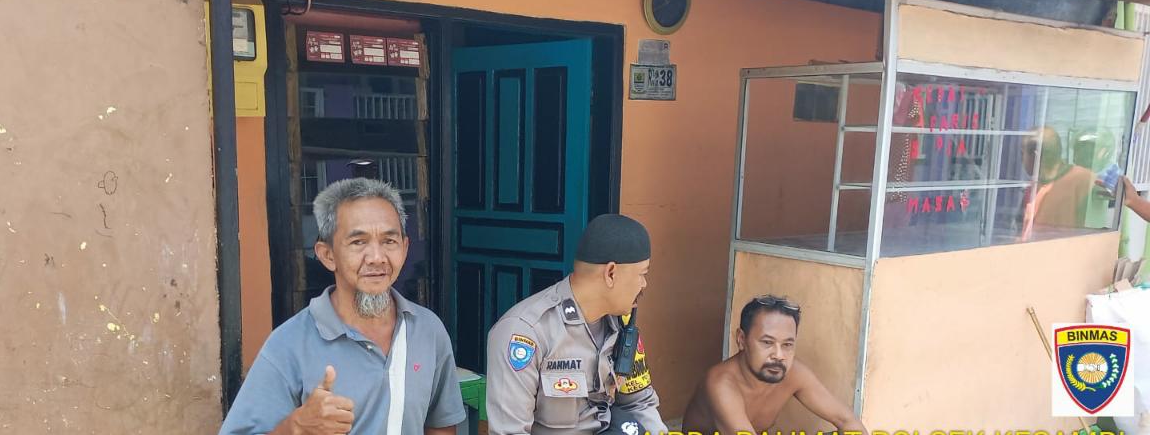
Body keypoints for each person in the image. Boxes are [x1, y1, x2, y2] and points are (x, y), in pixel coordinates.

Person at [219, 178, 465, 435]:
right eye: (358, 242)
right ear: (328, 255)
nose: (377, 258)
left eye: (389, 241)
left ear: (404, 249)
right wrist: (294, 427)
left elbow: (440, 425)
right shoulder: (289, 344)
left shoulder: (427, 330)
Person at [486, 214, 667, 435]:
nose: (644, 284)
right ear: (611, 273)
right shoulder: (526, 332)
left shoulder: (622, 326)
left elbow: (639, 404)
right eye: (642, 274)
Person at [681, 295, 866, 435]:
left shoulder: (794, 373)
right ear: (742, 339)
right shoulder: (721, 383)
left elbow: (846, 420)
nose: (779, 355)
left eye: (787, 345)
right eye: (767, 343)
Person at [1021, 126, 1099, 240]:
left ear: (1036, 155)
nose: (1021, 160)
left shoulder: (1084, 180)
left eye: (1022, 153)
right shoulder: (1035, 186)